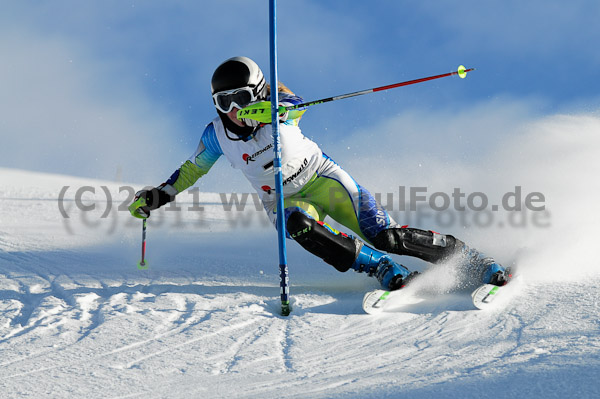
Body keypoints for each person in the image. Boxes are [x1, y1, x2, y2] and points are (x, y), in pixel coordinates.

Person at [129, 56, 511, 291]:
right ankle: (380, 270)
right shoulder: (215, 136)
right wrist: (157, 196)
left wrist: (272, 107)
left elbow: (294, 102)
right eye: (222, 102)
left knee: (386, 235)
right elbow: (191, 170)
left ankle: (472, 260)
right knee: (296, 224)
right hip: (283, 200)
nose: (232, 110)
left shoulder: (276, 106)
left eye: (240, 99)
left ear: (257, 92)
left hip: (322, 180)